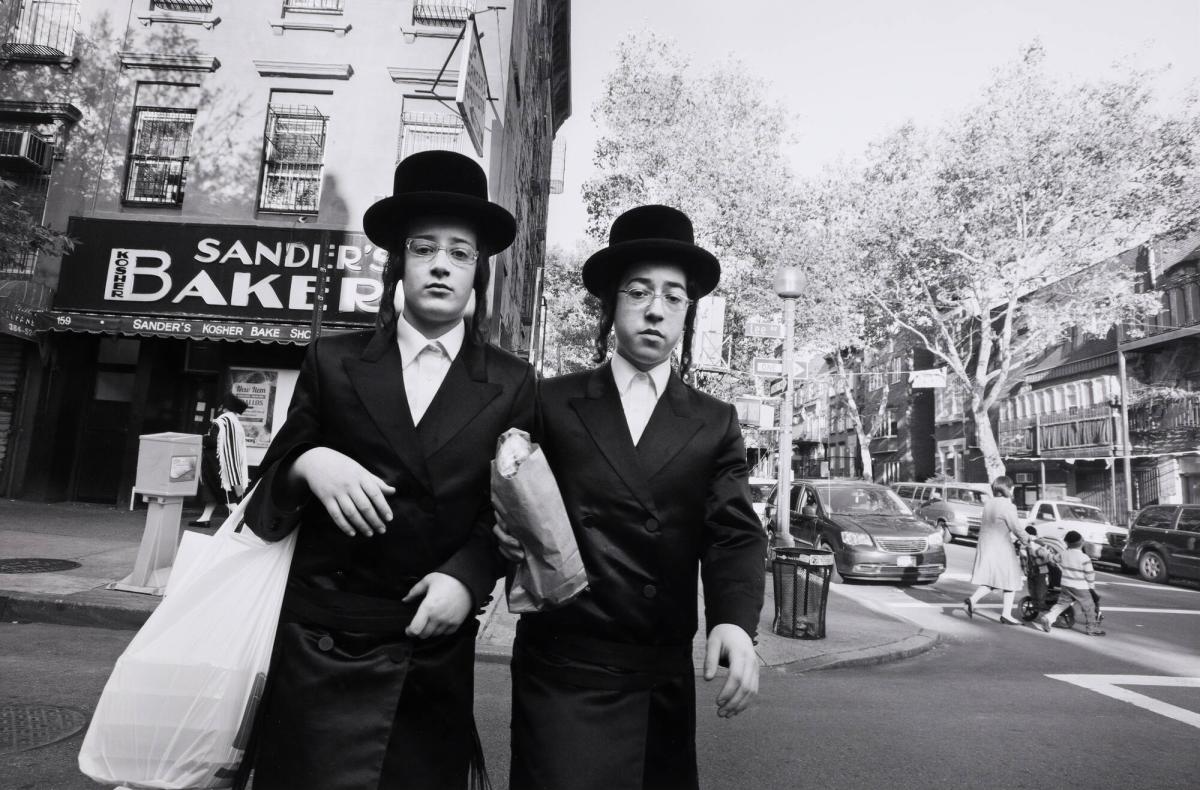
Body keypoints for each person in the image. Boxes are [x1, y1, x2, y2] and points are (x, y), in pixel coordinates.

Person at [242, 150, 535, 790]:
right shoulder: (333, 359)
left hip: (430, 646)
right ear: (398, 263)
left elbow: (509, 512)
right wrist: (309, 463)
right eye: (424, 248)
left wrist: (467, 578)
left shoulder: (512, 382)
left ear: (476, 272)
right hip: (322, 643)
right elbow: (266, 496)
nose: (440, 264)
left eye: (459, 253)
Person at [495, 204, 766, 790]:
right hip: (563, 663)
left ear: (687, 314)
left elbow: (734, 533)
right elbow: (507, 499)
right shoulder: (552, 401)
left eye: (673, 297)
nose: (655, 309)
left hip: (657, 671)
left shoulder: (715, 421)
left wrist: (735, 623)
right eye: (638, 291)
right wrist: (504, 534)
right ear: (612, 305)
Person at [963, 476, 1030, 624]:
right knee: (1011, 578)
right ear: (1008, 488)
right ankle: (1006, 614)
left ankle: (972, 600)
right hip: (1001, 547)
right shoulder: (1008, 506)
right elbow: (1016, 528)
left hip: (986, 545)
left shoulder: (989, 504)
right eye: (1012, 487)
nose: (1013, 490)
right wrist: (1028, 540)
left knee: (995, 579)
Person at [190, 393, 249, 527]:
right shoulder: (235, 423)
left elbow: (213, 441)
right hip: (228, 463)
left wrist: (201, 439)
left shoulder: (221, 421)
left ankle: (243, 520)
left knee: (225, 494)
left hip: (216, 464)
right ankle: (204, 519)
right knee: (213, 492)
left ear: (225, 407)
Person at [1036, 530, 1105, 635]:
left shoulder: (1063, 554)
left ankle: (1048, 618)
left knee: (1062, 604)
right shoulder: (1084, 558)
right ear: (1081, 543)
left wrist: (1046, 553)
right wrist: (1091, 587)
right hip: (1080, 587)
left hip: (1065, 585)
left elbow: (1053, 560)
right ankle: (1092, 628)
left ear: (1067, 543)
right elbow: (1090, 575)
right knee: (1089, 607)